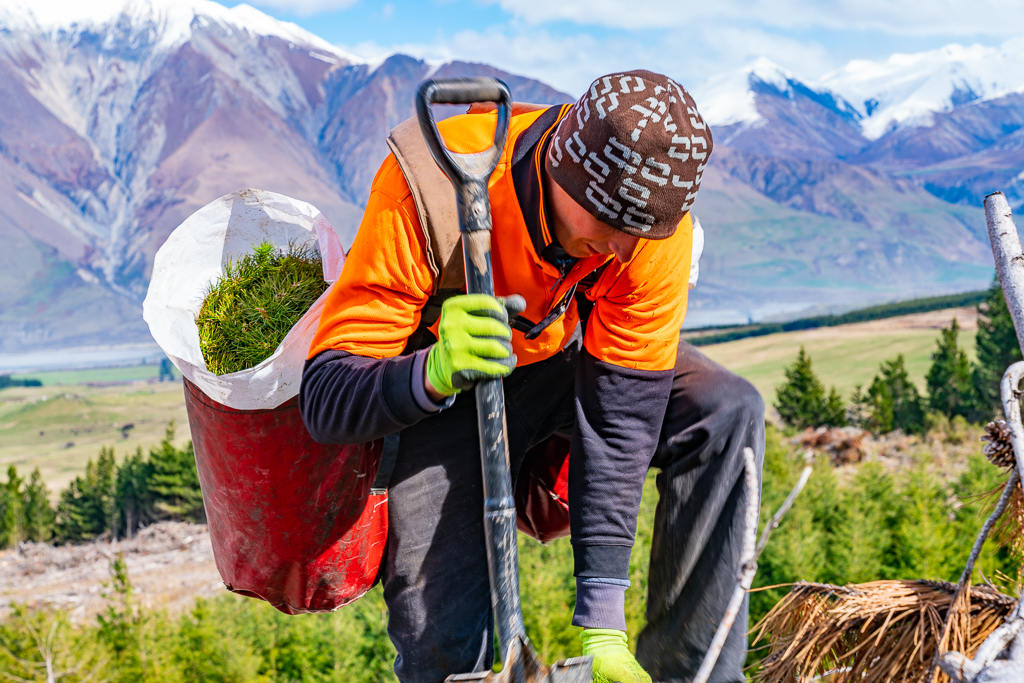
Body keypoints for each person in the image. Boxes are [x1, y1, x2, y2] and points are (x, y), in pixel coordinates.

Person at [300, 69, 765, 683]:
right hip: (439, 396)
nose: (626, 252)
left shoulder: (651, 232)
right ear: (563, 176)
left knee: (725, 408)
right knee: (439, 635)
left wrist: (603, 621)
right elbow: (327, 400)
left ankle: (687, 671)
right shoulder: (433, 187)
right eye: (612, 227)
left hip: (560, 365)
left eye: (643, 234)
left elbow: (622, 420)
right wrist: (433, 371)